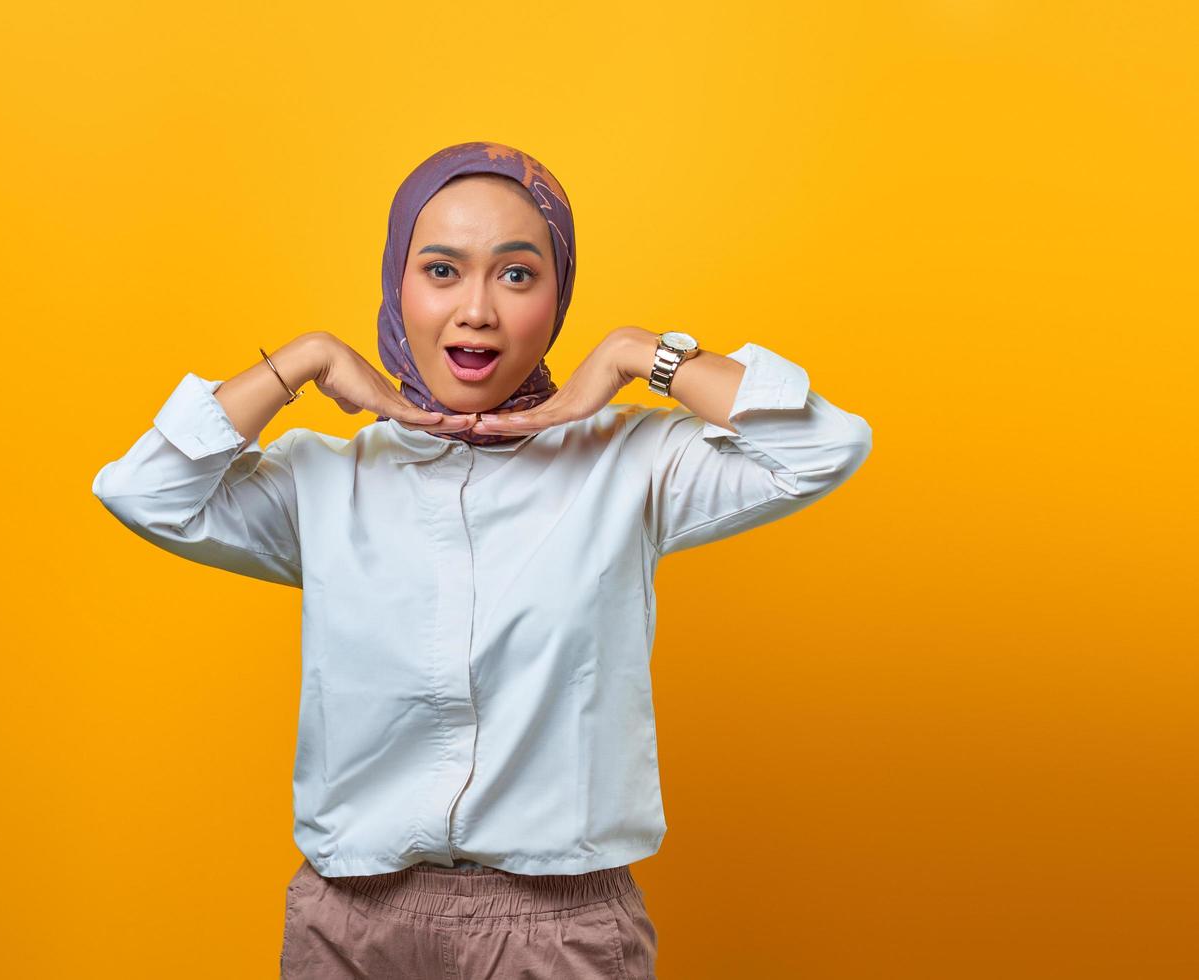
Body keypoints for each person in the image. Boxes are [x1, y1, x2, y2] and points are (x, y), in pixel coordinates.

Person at [92, 141, 873, 979]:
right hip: (350, 926)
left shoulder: (630, 462)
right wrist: (302, 361)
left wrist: (637, 354)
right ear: (398, 284)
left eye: (515, 275)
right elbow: (143, 489)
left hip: (561, 928)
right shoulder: (321, 480)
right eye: (440, 270)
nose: (476, 311)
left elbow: (825, 444)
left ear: (555, 295)